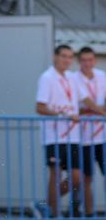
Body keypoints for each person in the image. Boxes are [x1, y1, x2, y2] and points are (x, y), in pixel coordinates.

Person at [39, 44, 85, 218]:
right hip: (54, 136)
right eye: (63, 56)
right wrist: (62, 114)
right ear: (55, 57)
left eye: (69, 57)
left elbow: (85, 99)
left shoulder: (72, 77)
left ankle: (44, 205)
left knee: (76, 178)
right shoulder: (47, 77)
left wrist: (101, 110)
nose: (67, 60)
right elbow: (40, 107)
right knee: (56, 175)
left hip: (72, 136)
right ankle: (53, 213)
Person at [78, 46, 106, 216]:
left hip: (102, 136)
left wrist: (94, 110)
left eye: (90, 60)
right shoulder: (74, 78)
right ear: (79, 61)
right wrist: (101, 110)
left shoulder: (102, 75)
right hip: (83, 137)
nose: (87, 63)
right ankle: (88, 213)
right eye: (84, 60)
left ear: (94, 60)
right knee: (84, 178)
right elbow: (84, 103)